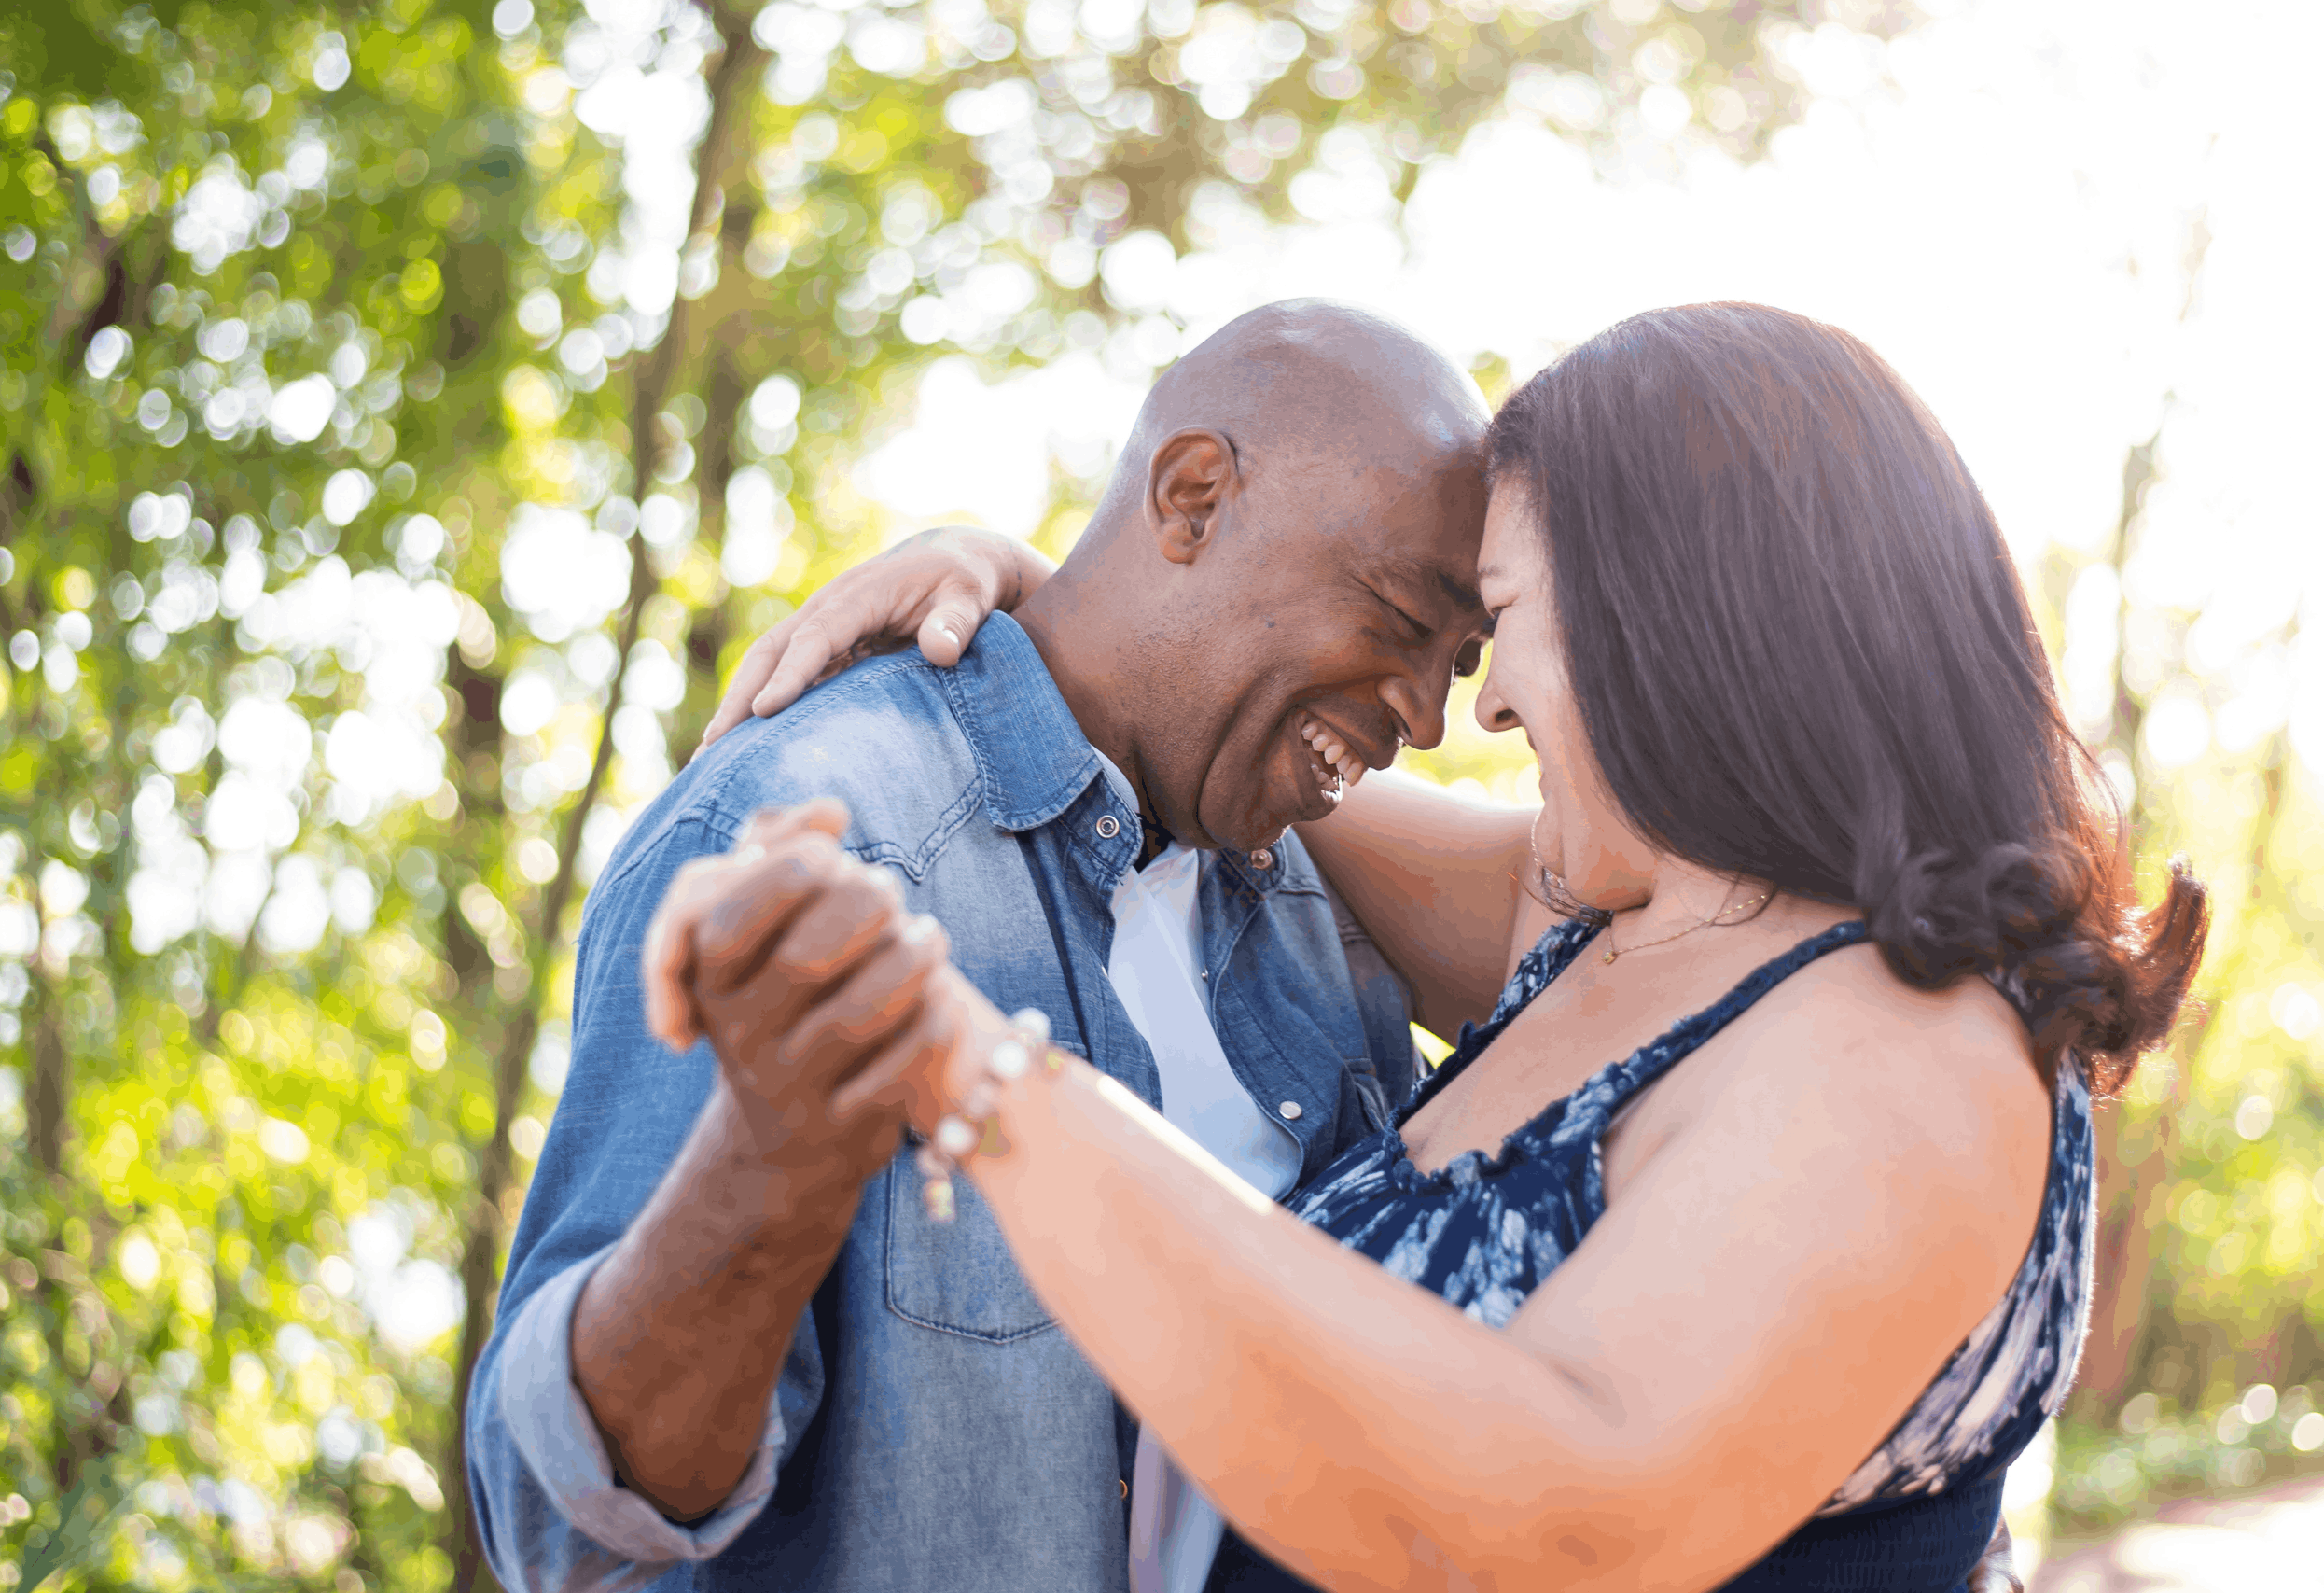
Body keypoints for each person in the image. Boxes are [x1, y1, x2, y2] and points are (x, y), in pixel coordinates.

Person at [661, 302, 2206, 1589]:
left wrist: (964, 1063)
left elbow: (1566, 1511)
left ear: (1678, 626)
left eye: (1503, 622)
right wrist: (1041, 592)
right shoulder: (1623, 923)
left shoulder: (1906, 1048)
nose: (1483, 711)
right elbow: (1198, 744)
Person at [462, 300, 1500, 1593]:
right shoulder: (816, 835)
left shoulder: (1323, 924)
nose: (1431, 713)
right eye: (1404, 620)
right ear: (1191, 499)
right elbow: (559, 1525)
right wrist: (769, 1170)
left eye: (1462, 658)